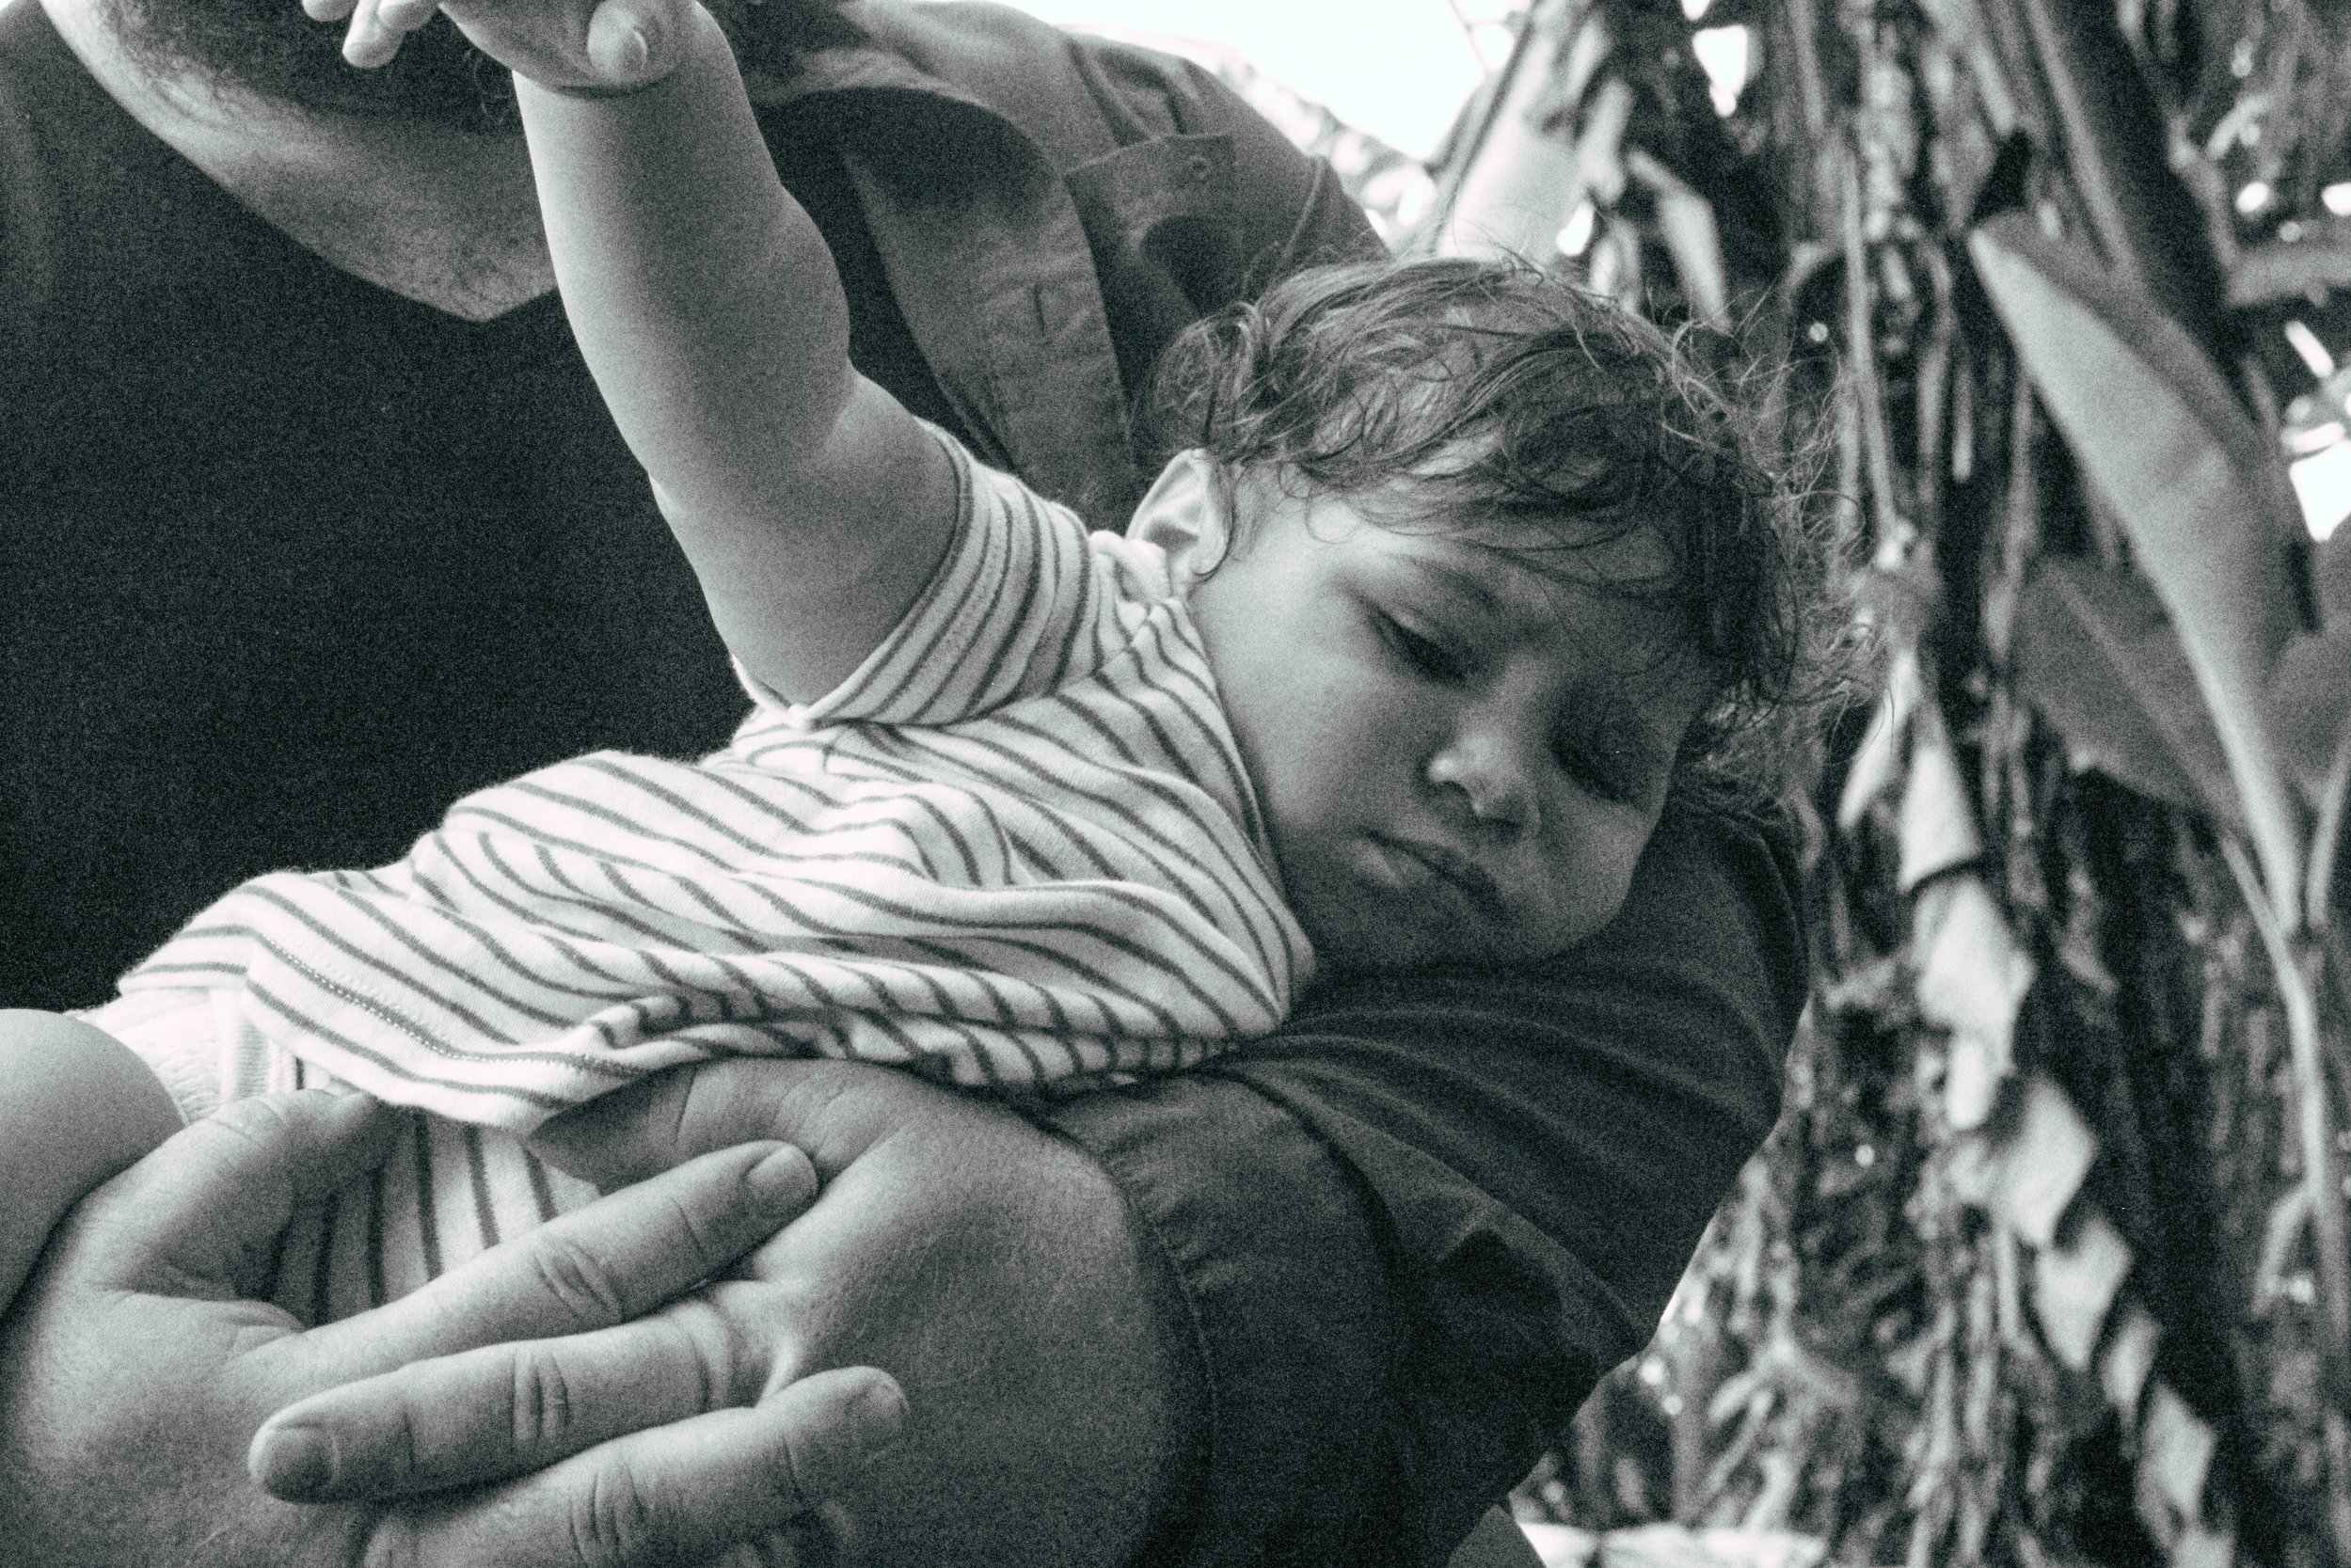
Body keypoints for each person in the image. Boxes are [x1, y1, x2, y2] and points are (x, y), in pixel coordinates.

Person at [0, 0, 1809, 1560]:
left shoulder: (1179, 182)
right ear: (1181, 526)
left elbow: (1685, 947)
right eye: (1422, 645)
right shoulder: (1071, 635)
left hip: (594, 1335)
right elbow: (765, 405)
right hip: (266, 1073)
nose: (1501, 777)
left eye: (1599, 764)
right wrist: (622, 76)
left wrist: (1131, 1306)